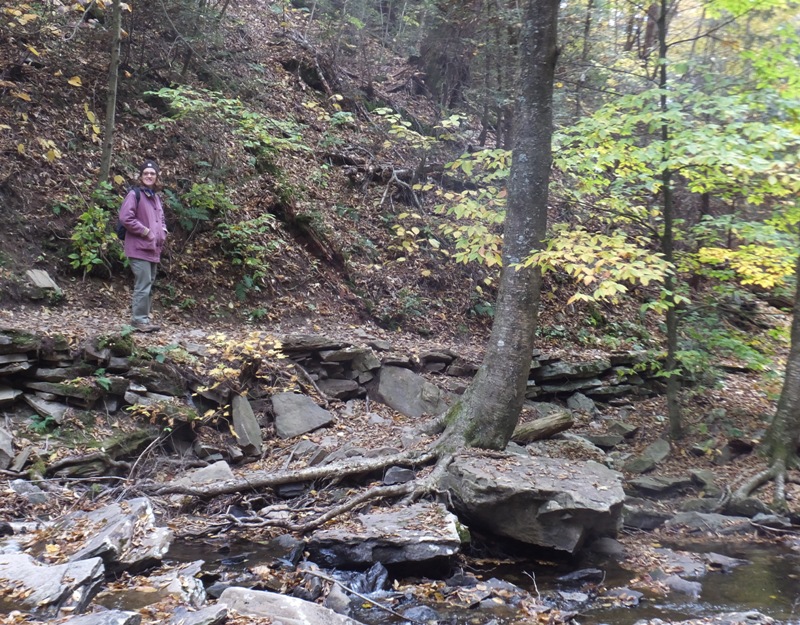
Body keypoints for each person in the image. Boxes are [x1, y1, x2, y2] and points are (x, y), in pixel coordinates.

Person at [119, 159, 167, 332]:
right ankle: (139, 320)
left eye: (152, 173)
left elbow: (160, 219)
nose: (149, 176)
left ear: (156, 177)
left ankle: (143, 320)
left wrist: (163, 231)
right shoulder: (134, 194)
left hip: (153, 248)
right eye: (146, 173)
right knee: (143, 284)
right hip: (138, 247)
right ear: (140, 176)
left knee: (148, 283)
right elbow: (126, 218)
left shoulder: (155, 197)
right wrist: (145, 231)